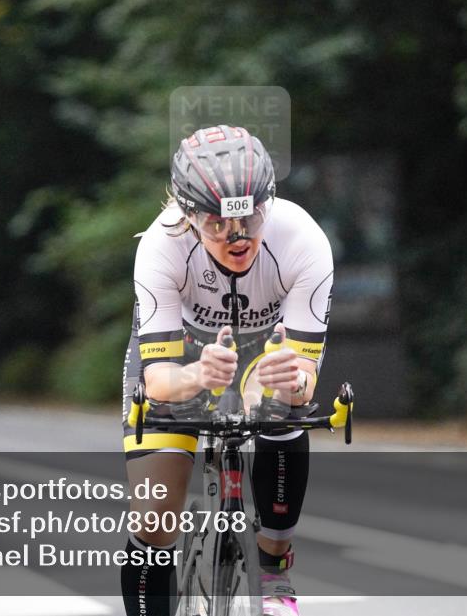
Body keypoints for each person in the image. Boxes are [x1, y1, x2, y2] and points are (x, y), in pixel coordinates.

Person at [121, 125, 334, 616]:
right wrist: (198, 377)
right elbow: (159, 382)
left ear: (268, 204)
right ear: (189, 216)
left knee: (282, 405)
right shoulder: (161, 245)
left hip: (265, 348)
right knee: (154, 518)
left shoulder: (303, 240)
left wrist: (291, 382)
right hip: (182, 353)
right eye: (217, 224)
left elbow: (304, 378)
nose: (237, 238)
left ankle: (274, 570)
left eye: (250, 218)